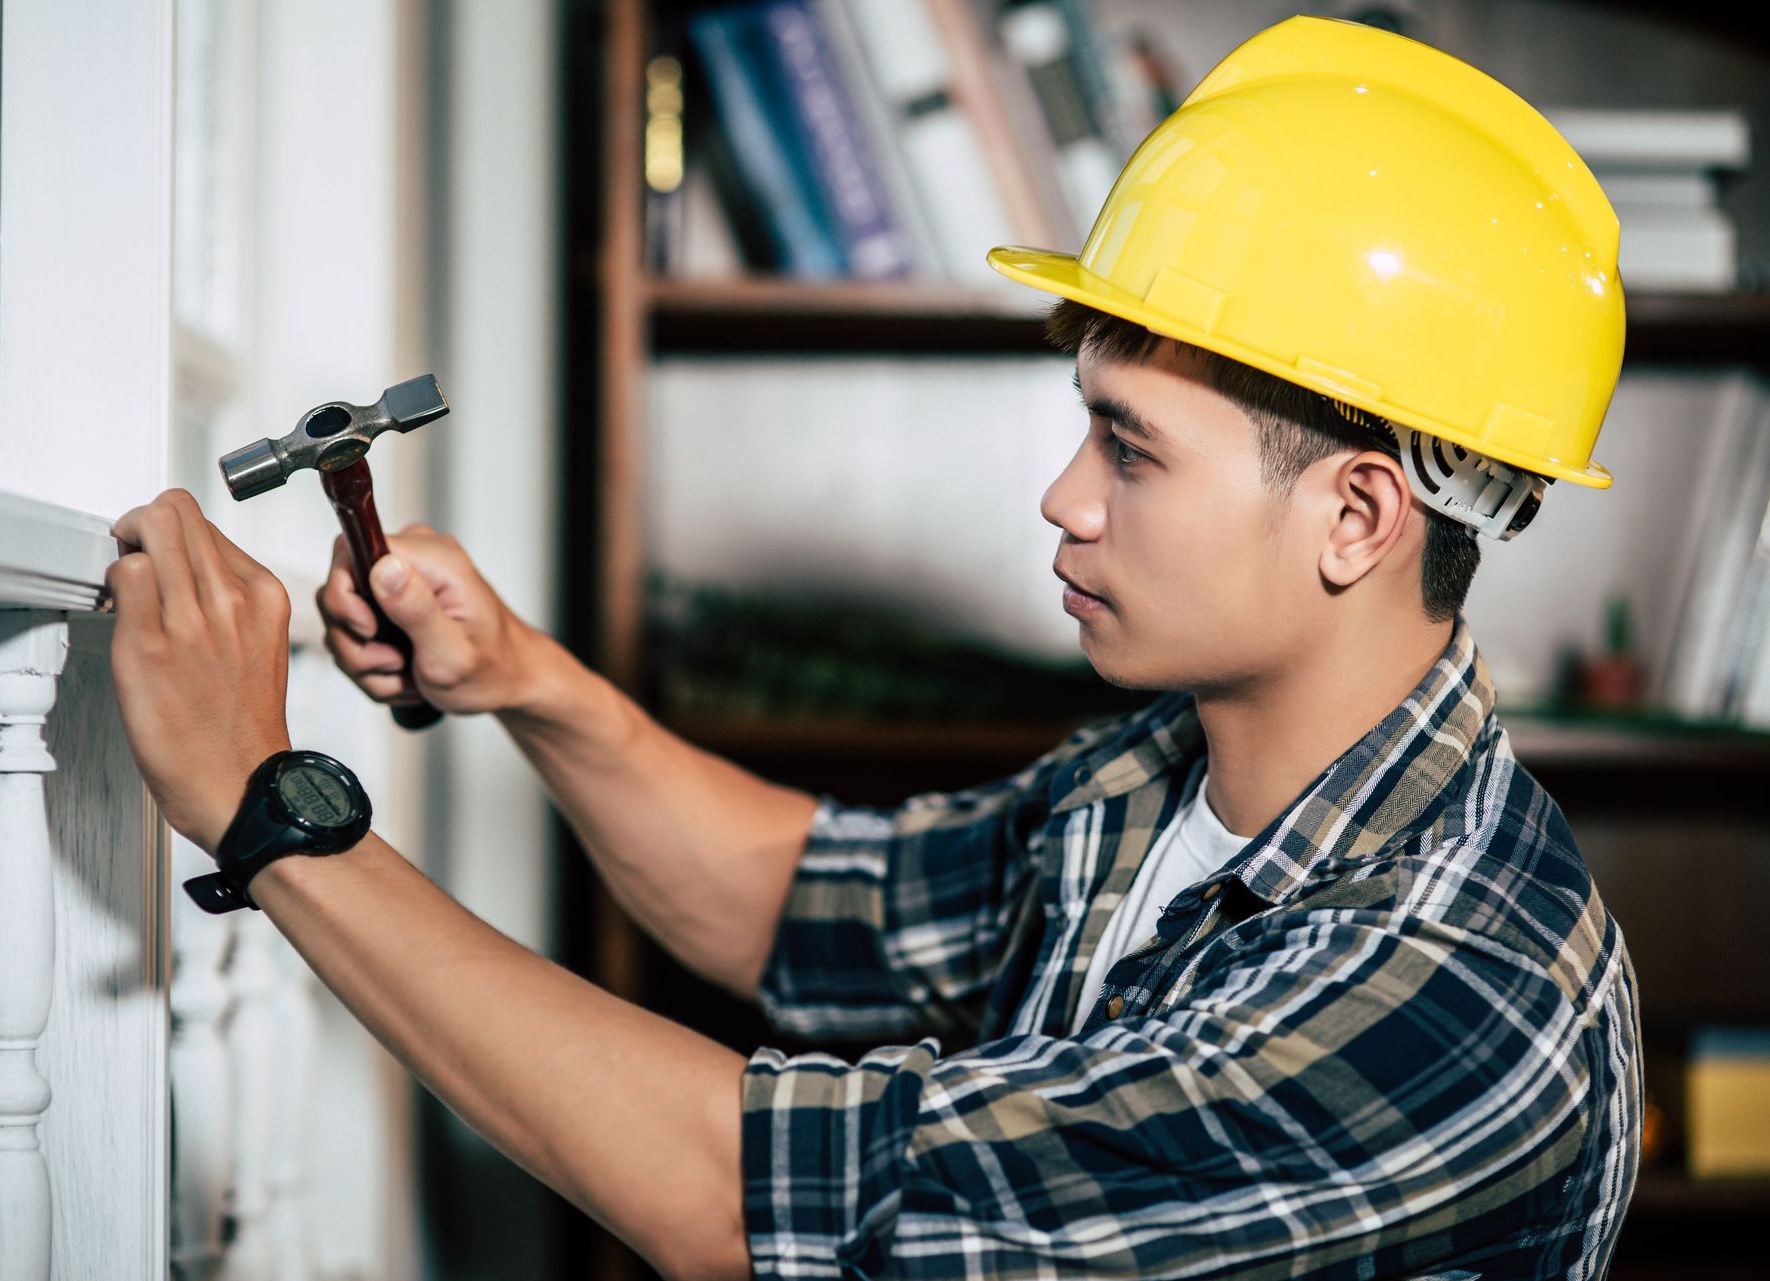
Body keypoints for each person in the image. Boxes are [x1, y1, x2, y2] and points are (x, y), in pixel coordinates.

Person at [105, 14, 1640, 1281]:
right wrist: (523, 675)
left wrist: (266, 801)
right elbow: (805, 899)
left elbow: (736, 1192)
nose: (1063, 497)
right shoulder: (1163, 767)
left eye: (1131, 447)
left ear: (1358, 517)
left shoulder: (1459, 985)